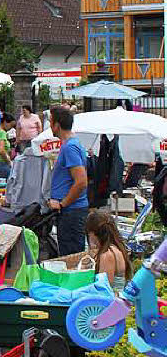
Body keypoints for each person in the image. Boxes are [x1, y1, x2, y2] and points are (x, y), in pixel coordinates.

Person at [48, 106, 89, 255]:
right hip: (71, 211)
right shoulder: (70, 145)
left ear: (57, 125)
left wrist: (62, 203)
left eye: (50, 122)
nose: (49, 126)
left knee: (71, 257)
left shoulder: (70, 147)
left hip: (71, 211)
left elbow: (81, 181)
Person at [85, 210, 133, 290]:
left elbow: (104, 290)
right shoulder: (115, 248)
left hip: (112, 301)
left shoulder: (107, 255)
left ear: (92, 233)